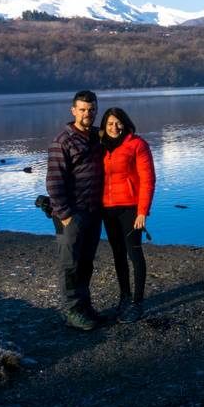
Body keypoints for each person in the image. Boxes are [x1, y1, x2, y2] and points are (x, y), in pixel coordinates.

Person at [46, 90, 105, 330]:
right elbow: (53, 182)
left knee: (86, 262)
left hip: (93, 211)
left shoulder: (95, 137)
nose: (87, 114)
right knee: (69, 264)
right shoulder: (62, 141)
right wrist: (66, 215)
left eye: (91, 110)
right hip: (72, 214)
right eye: (82, 110)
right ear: (73, 111)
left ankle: (84, 306)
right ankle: (71, 311)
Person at [100, 107, 156, 323]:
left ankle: (137, 303)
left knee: (134, 253)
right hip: (107, 209)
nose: (114, 127)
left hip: (131, 208)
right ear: (104, 126)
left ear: (125, 123)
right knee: (118, 255)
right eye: (110, 123)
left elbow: (148, 180)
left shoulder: (137, 145)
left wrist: (143, 211)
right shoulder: (101, 147)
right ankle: (124, 296)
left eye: (118, 123)